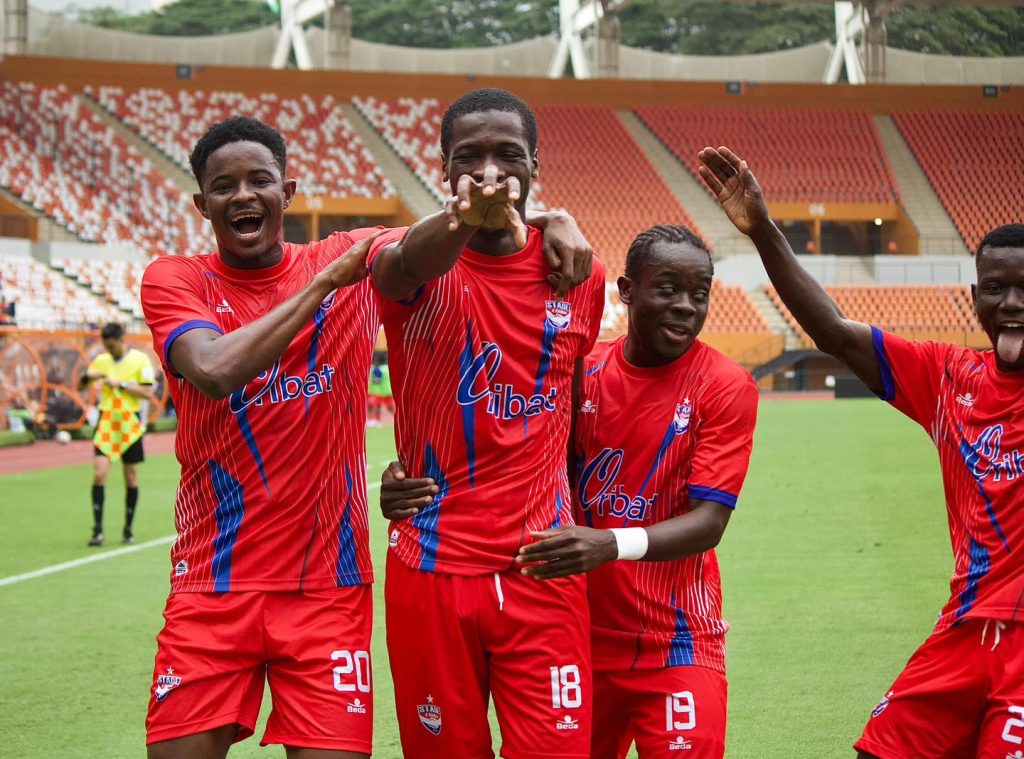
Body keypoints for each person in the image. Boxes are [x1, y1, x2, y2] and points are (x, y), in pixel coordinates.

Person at [139, 114, 594, 759]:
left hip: (329, 587)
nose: (243, 196)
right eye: (224, 186)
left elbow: (438, 240)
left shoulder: (351, 252)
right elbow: (213, 372)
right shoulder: (176, 279)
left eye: (259, 181)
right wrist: (324, 285)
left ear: (286, 193)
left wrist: (547, 217)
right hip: (212, 584)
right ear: (201, 203)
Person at [697, 145, 1024, 759]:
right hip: (963, 630)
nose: (1011, 303)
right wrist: (764, 230)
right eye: (996, 289)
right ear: (973, 296)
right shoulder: (949, 377)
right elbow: (834, 333)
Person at [383, 224, 759, 759]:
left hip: (676, 640)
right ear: (626, 291)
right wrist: (408, 477)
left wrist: (610, 543)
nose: (685, 306)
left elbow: (709, 524)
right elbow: (510, 447)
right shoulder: (580, 370)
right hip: (581, 636)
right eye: (667, 289)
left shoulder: (724, 386)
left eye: (699, 294)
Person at [368, 87, 606, 758]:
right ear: (444, 168)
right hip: (432, 568)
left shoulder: (579, 274)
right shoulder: (410, 263)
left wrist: (549, 218)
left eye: (509, 155)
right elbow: (400, 267)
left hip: (544, 566)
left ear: (534, 164)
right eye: (469, 157)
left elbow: (570, 408)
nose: (490, 172)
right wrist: (470, 218)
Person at [79, 322, 155, 546]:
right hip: (106, 421)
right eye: (106, 347)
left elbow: (148, 392)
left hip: (129, 422)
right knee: (99, 474)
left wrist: (120, 385)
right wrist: (87, 376)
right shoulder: (101, 360)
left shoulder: (140, 359)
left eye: (112, 346)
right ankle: (98, 531)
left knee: (130, 476)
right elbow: (80, 386)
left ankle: (128, 529)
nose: (110, 351)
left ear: (122, 340)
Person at [366, 357, 393, 427]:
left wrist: (369, 381)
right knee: (390, 407)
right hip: (388, 391)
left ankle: (372, 420)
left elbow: (377, 380)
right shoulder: (389, 368)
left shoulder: (377, 369)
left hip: (378, 392)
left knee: (373, 406)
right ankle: (399, 419)